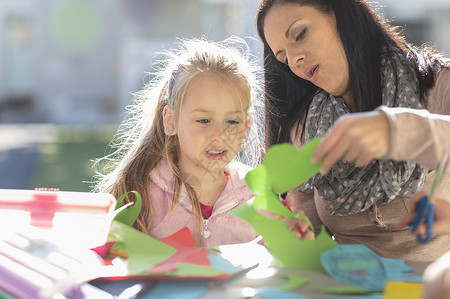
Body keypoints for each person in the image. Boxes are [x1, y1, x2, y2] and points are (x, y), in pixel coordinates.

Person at [256, 0, 450, 261]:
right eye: (283, 56)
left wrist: (397, 130)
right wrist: (290, 233)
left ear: (342, 13)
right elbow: (306, 231)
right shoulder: (306, 127)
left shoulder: (439, 85)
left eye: (300, 34)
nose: (294, 60)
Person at [92, 37, 266, 247]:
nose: (219, 134)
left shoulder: (258, 195)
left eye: (232, 121)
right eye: (203, 120)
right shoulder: (141, 193)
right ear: (171, 121)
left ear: (245, 127)